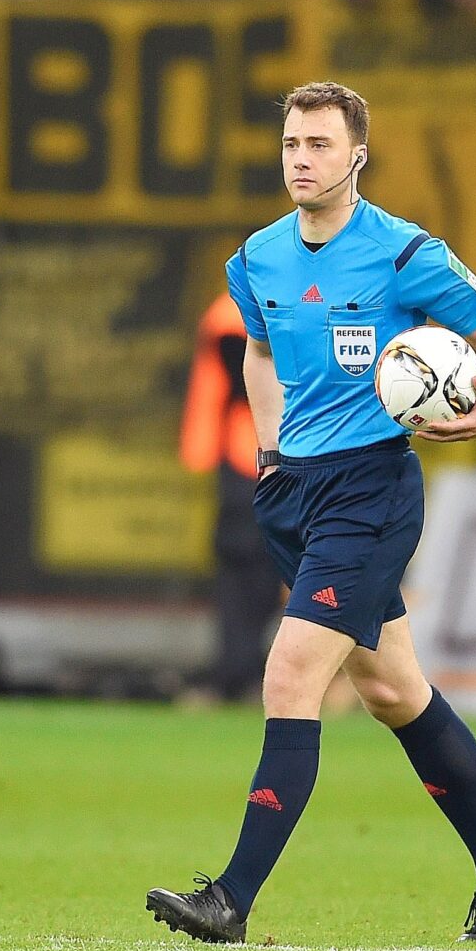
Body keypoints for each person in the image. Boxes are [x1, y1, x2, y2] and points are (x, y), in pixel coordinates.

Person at [146, 82, 476, 945]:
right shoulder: (257, 257)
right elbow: (259, 352)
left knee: (292, 671)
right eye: (291, 142)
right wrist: (266, 450)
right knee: (394, 689)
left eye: (320, 144)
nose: (301, 158)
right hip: (293, 490)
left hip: (372, 492)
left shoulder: (405, 254)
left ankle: (231, 898)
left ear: (357, 155)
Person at [179, 291, 273, 703]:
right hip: (255, 454)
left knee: (256, 571)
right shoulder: (231, 312)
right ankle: (240, 672)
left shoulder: (225, 309)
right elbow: (224, 382)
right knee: (253, 567)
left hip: (254, 455)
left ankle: (243, 672)